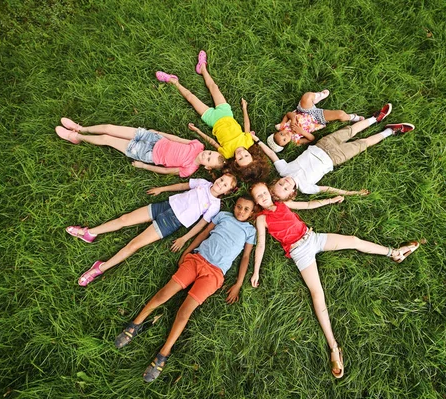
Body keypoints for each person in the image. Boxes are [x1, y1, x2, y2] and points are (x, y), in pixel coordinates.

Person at [249, 182, 419, 378]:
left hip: (312, 237)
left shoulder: (283, 204)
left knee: (354, 241)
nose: (262, 197)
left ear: (269, 192)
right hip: (299, 251)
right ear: (256, 202)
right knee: (317, 293)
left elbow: (308, 205)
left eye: (263, 193)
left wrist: (330, 200)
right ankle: (333, 346)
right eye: (258, 197)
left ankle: (395, 253)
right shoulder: (262, 219)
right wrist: (256, 271)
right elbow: (260, 245)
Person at [113, 197, 257, 383]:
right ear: (234, 206)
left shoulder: (250, 231)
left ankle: (164, 353)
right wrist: (187, 251)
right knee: (164, 294)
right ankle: (135, 324)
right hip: (196, 260)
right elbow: (204, 234)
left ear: (252, 213)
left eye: (246, 209)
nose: (241, 211)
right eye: (239, 206)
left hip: (214, 274)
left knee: (185, 311)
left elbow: (245, 257)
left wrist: (238, 283)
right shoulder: (223, 216)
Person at [66, 174, 237, 286]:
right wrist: (162, 188)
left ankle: (99, 268)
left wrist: (184, 239)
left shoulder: (215, 206)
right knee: (124, 219)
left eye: (225, 185)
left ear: (227, 192)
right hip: (164, 206)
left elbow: (201, 226)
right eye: (222, 179)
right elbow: (182, 186)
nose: (220, 183)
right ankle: (90, 232)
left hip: (171, 222)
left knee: (134, 245)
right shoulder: (202, 183)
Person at [253, 103, 416, 199]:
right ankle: (390, 131)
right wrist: (351, 193)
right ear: (293, 194)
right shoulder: (306, 188)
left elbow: (272, 154)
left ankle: (375, 118)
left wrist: (257, 140)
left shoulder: (284, 170)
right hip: (335, 158)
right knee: (363, 143)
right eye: (286, 188)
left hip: (322, 145)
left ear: (277, 180)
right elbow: (328, 189)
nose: (286, 183)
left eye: (281, 183)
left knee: (350, 130)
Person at [155, 50, 270, 182]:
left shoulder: (226, 153)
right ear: (251, 154)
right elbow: (246, 126)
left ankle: (173, 81)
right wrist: (245, 109)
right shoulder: (248, 142)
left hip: (212, 120)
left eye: (240, 158)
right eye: (246, 155)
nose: (241, 153)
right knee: (213, 87)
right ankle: (202, 68)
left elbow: (213, 142)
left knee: (191, 98)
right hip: (226, 113)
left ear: (236, 163)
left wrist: (198, 131)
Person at [54, 119, 225, 177]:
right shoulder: (198, 145)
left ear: (207, 166)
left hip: (148, 154)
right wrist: (159, 133)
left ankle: (77, 137)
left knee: (107, 139)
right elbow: (177, 139)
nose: (206, 154)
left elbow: (166, 171)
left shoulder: (189, 169)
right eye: (210, 152)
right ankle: (81, 128)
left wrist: (143, 165)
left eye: (208, 158)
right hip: (154, 138)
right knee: (109, 128)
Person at [267, 90, 364, 152]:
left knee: (306, 96)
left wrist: (292, 119)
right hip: (316, 120)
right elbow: (311, 138)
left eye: (281, 134)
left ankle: (319, 95)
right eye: (284, 140)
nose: (285, 135)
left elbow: (288, 114)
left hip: (304, 111)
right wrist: (302, 132)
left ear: (278, 131)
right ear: (287, 144)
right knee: (340, 114)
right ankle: (353, 117)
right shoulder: (296, 141)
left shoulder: (283, 126)